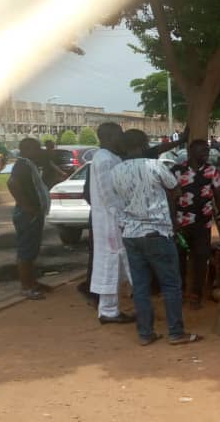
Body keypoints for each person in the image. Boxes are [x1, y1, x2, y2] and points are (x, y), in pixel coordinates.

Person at [111, 129, 203, 345]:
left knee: (141, 287)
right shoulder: (155, 165)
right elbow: (176, 190)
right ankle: (176, 332)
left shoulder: (115, 171)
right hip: (157, 232)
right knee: (170, 284)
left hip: (131, 234)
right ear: (144, 144)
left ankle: (145, 333)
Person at [90, 123, 136, 324]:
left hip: (113, 218)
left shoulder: (110, 157)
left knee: (116, 263)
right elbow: (108, 195)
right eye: (119, 135)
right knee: (112, 262)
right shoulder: (104, 160)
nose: (122, 138)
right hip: (111, 220)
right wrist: (123, 218)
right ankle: (108, 311)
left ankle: (110, 309)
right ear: (108, 137)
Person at [171, 139, 220, 309]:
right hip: (181, 223)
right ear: (191, 152)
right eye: (202, 150)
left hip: (203, 223)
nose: (206, 153)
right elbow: (171, 197)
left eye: (207, 150)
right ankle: (179, 293)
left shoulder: (212, 170)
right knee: (179, 259)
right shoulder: (177, 171)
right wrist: (173, 221)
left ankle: (196, 295)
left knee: (201, 259)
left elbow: (217, 194)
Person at [7, 138, 52, 300]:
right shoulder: (22, 165)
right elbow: (12, 183)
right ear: (26, 150)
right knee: (26, 251)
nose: (39, 151)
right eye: (36, 149)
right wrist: (26, 206)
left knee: (32, 250)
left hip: (34, 212)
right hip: (27, 214)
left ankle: (33, 282)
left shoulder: (29, 164)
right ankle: (26, 287)